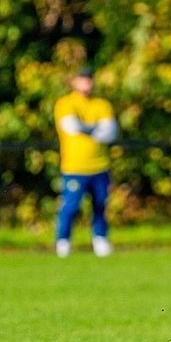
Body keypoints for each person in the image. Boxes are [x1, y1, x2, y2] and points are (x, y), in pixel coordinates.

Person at [53, 67, 117, 258]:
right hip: (74, 167)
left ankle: (100, 240)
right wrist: (96, 129)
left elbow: (110, 132)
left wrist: (87, 129)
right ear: (74, 81)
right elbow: (71, 127)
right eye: (82, 79)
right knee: (71, 206)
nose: (87, 83)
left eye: (89, 79)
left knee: (100, 205)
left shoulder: (101, 104)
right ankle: (63, 241)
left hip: (99, 165)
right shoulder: (66, 103)